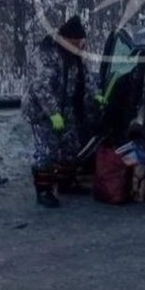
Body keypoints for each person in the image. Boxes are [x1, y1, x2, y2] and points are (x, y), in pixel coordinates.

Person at [21, 15, 93, 207]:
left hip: (66, 108)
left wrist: (95, 96)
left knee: (71, 146)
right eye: (75, 42)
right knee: (47, 150)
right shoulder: (46, 53)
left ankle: (65, 183)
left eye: (81, 42)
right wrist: (53, 113)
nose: (79, 46)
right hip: (42, 111)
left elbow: (85, 79)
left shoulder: (76, 55)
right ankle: (43, 190)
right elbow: (41, 86)